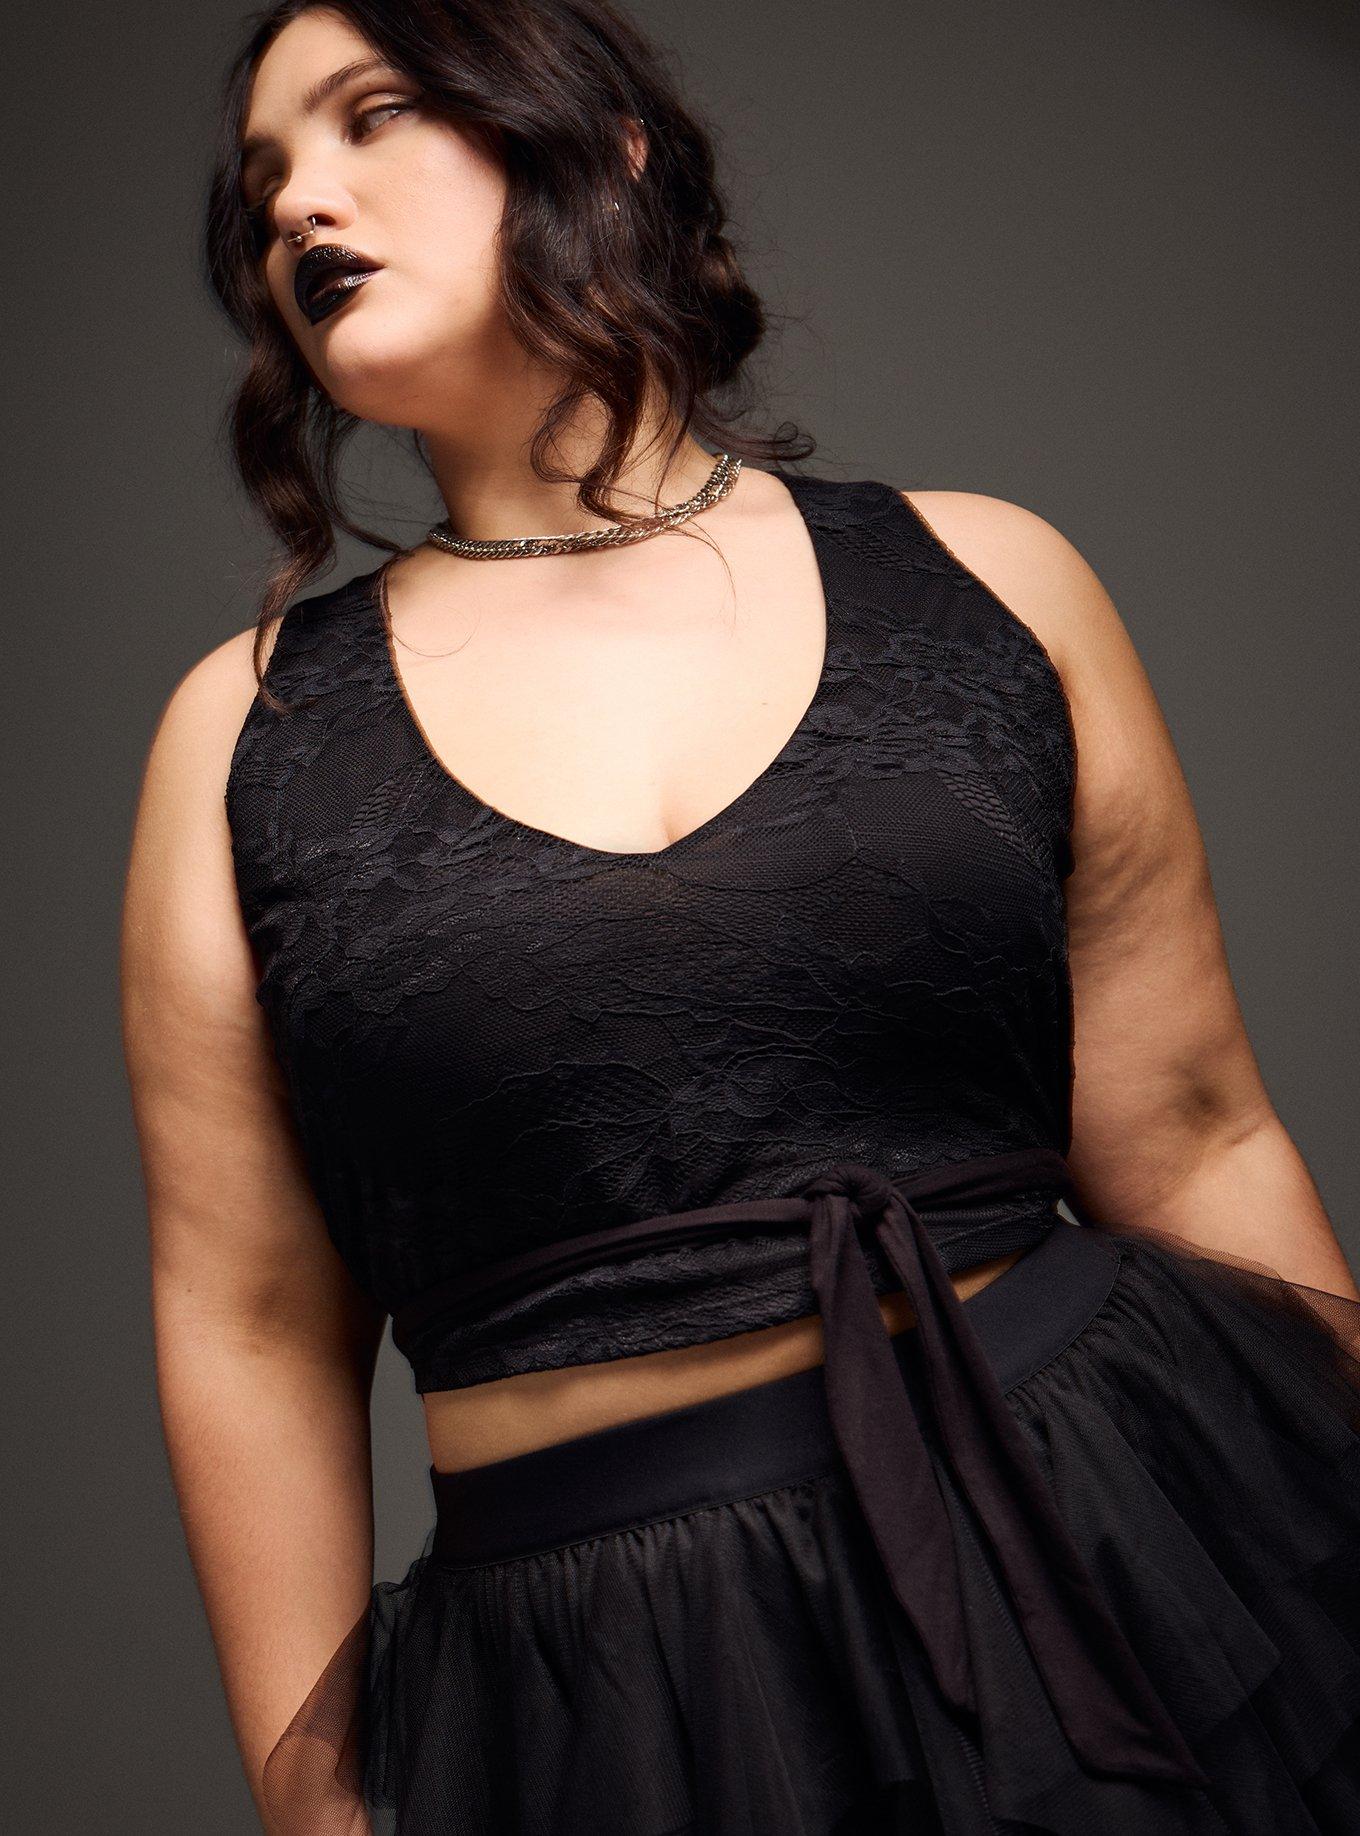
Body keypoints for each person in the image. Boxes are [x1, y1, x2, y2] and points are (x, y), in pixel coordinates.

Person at [120, 2, 1360, 1831]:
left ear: (605, 143)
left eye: (370, 117)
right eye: (265, 180)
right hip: (612, 1694)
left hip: (1090, 1553)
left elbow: (1193, 1136)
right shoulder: (246, 733)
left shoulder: (992, 580)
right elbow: (247, 1325)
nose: (300, 200)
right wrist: (316, 1808)